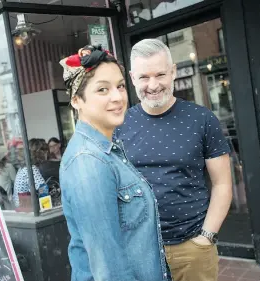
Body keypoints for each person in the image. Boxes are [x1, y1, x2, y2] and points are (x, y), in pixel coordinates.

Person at [115, 39, 232, 281]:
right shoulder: (119, 125)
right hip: (139, 249)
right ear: (132, 77)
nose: (153, 85)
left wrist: (206, 238)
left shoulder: (202, 119)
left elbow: (222, 184)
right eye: (144, 77)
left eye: (160, 74)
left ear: (174, 72)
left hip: (193, 247)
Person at [59, 45, 171, 281]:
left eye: (120, 86)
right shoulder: (88, 161)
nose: (118, 97)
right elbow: (110, 272)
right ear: (77, 100)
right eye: (102, 89)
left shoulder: (108, 149)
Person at [13, 138, 47, 209]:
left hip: (21, 208)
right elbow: (43, 188)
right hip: (28, 209)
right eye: (44, 150)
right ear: (39, 153)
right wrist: (47, 208)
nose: (47, 152)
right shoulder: (32, 169)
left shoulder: (23, 167)